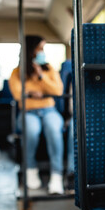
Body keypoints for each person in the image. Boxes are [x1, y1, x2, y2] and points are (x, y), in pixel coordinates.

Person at [9, 35, 64, 194]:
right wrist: (34, 91)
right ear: (31, 50)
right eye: (40, 49)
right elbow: (18, 94)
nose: (42, 52)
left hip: (49, 110)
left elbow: (57, 90)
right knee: (32, 130)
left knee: (54, 129)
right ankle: (31, 169)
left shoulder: (49, 69)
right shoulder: (17, 72)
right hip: (28, 112)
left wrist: (40, 77)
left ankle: (56, 175)